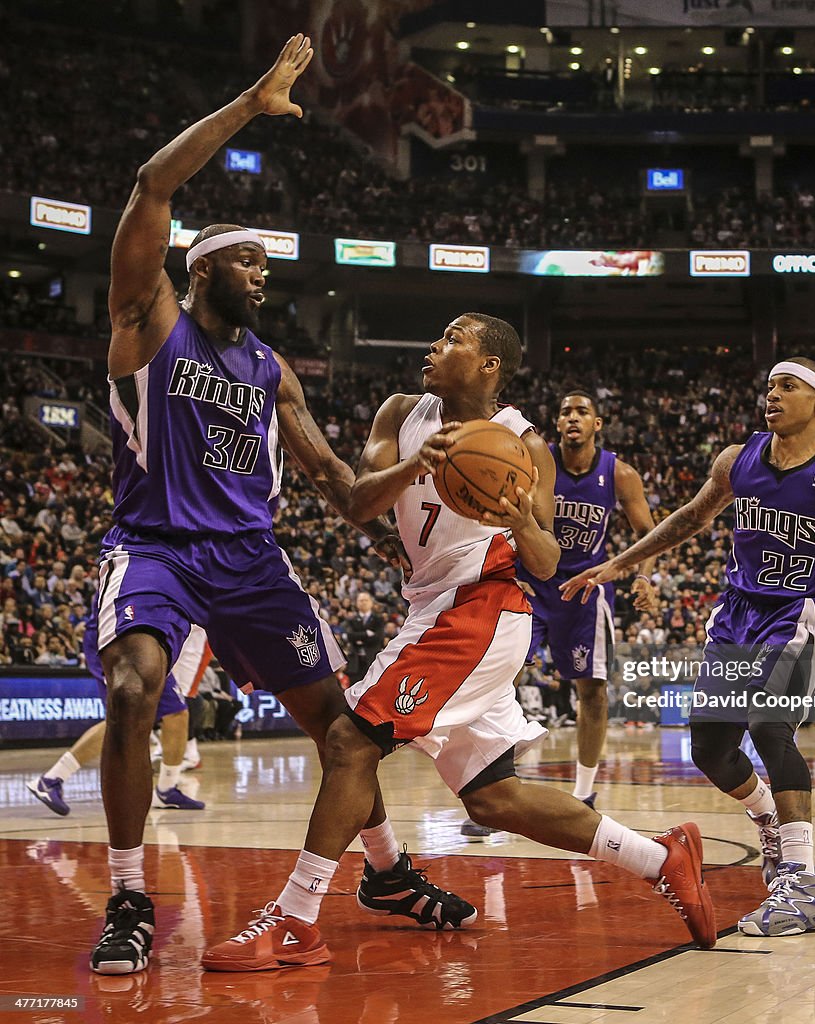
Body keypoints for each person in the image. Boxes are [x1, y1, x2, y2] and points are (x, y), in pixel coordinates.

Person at [90, 35, 470, 976]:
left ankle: (384, 869)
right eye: (250, 263)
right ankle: (131, 893)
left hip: (253, 562)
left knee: (342, 728)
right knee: (135, 690)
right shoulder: (148, 320)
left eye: (268, 266)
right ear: (203, 269)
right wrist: (252, 105)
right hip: (156, 548)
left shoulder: (272, 373)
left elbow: (346, 496)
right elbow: (149, 188)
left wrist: (430, 460)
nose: (264, 277)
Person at [202, 313, 717, 971]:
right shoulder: (399, 414)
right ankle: (661, 857)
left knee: (349, 742)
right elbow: (358, 503)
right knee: (491, 797)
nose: (433, 346)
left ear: (489, 365)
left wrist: (516, 521)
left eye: (452, 340)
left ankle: (296, 920)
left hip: (481, 610)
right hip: (432, 609)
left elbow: (544, 556)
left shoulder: (523, 442)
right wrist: (421, 462)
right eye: (436, 334)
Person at [564, 357, 815, 936]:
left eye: (788, 387)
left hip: (799, 615)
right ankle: (769, 823)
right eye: (770, 386)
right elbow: (690, 518)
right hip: (736, 614)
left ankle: (804, 885)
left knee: (769, 726)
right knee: (708, 746)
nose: (772, 395)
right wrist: (619, 564)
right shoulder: (738, 459)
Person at [461, 389, 657, 837]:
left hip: (585, 592)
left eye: (581, 412)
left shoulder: (619, 474)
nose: (572, 418)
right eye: (565, 411)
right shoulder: (533, 459)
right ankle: (496, 796)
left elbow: (648, 532)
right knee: (495, 685)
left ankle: (584, 792)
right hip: (531, 584)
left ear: (597, 424)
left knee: (593, 690)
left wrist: (643, 578)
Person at [27, 620, 209, 816]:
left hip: (141, 639)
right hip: (116, 636)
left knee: (176, 712)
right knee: (124, 719)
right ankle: (51, 780)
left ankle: (167, 789)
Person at [345, 591, 386, 684]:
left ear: (371, 602)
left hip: (372, 659)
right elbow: (350, 636)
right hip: (355, 662)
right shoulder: (351, 620)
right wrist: (366, 634)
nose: (363, 602)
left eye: (366, 600)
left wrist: (359, 638)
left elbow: (378, 638)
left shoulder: (378, 619)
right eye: (361, 600)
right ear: (356, 603)